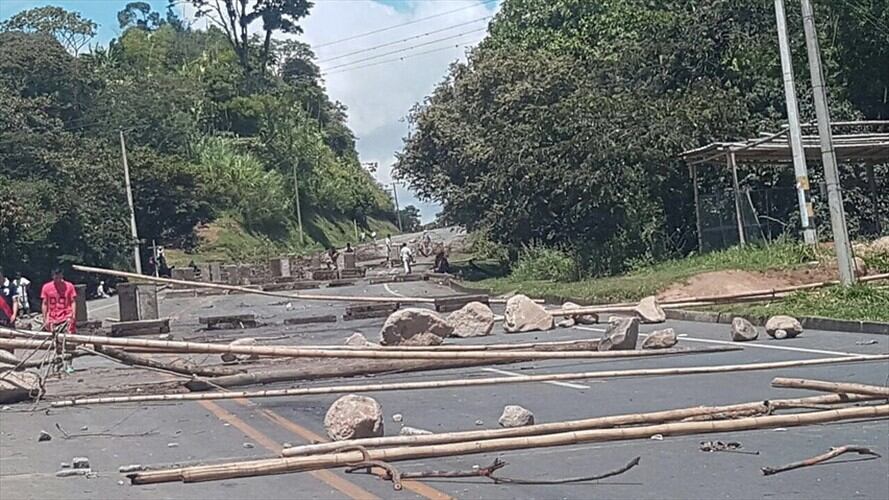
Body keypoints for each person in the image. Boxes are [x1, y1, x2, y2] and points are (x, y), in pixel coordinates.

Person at [41, 268, 77, 334]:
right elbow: (44, 304)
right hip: (52, 317)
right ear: (52, 276)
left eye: (59, 277)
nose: (58, 280)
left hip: (66, 315)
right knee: (53, 335)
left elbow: (73, 301)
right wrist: (45, 319)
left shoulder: (69, 286)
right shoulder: (46, 287)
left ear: (62, 275)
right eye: (56, 278)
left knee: (68, 334)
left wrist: (73, 315)